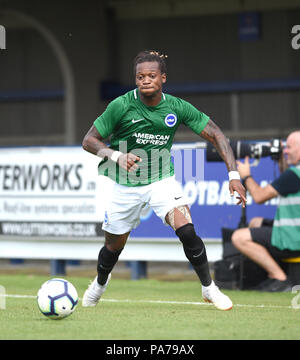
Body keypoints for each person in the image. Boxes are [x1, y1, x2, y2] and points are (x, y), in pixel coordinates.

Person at [81, 50, 246, 310]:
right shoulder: (121, 105)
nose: (145, 80)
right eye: (140, 76)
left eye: (151, 75)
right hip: (125, 185)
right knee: (113, 248)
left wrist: (234, 175)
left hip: (161, 180)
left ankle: (209, 288)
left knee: (187, 230)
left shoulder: (176, 107)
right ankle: (100, 283)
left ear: (163, 78)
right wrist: (115, 155)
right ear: (135, 80)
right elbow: (89, 141)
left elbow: (215, 134)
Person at [232, 131, 300, 292]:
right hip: (295, 232)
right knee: (256, 222)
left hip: (293, 240)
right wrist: (281, 161)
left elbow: (259, 196)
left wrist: (246, 176)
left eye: (289, 147)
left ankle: (279, 278)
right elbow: (288, 184)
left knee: (239, 237)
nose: (285, 151)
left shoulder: (294, 175)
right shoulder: (294, 175)